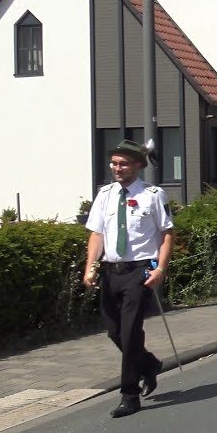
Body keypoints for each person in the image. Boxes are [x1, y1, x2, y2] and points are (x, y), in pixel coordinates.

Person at [82, 139, 171, 418]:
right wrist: (90, 267)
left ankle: (129, 395)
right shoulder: (105, 195)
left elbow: (167, 234)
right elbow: (97, 234)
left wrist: (159, 269)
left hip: (140, 270)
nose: (117, 168)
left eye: (123, 164)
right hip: (111, 271)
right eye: (114, 163)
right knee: (115, 331)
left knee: (131, 330)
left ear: (137, 166)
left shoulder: (153, 195)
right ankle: (148, 364)